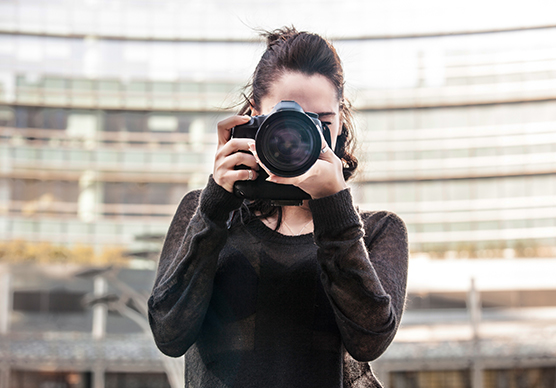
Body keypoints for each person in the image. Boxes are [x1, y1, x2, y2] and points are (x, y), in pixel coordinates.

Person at [148, 26, 408, 388]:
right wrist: (215, 205)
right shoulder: (204, 211)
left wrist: (334, 208)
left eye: (320, 123)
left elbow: (369, 340)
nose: (300, 138)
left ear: (340, 122)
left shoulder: (377, 231)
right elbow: (168, 332)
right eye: (287, 121)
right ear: (253, 116)